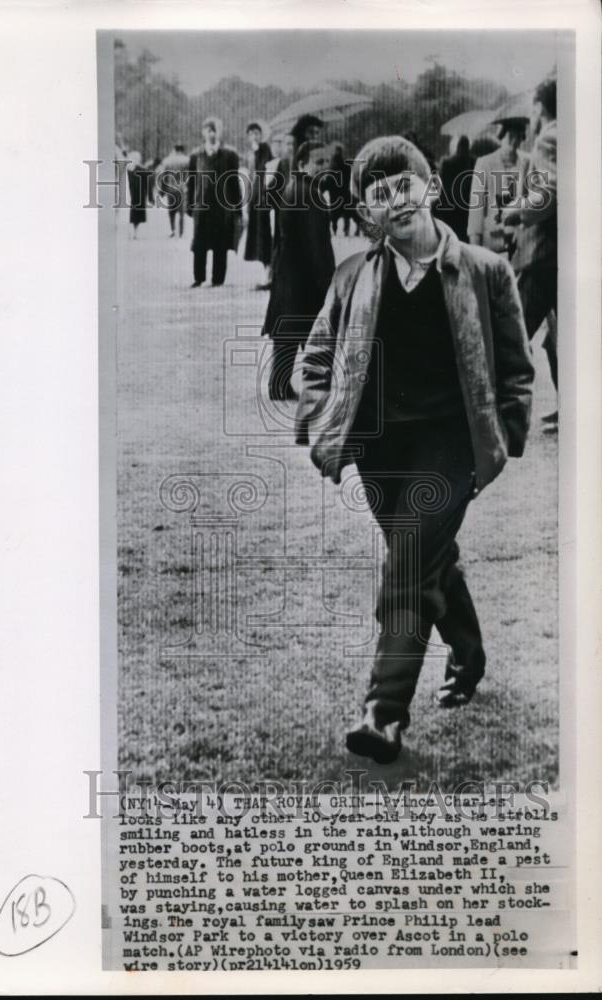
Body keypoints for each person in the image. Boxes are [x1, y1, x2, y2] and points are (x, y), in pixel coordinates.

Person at [294, 135, 534, 764]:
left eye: (404, 185)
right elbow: (315, 359)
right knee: (426, 558)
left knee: (405, 566)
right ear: (367, 213)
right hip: (381, 451)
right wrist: (324, 418)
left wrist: (503, 440)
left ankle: (383, 713)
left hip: (452, 445)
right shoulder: (352, 277)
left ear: (428, 187)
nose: (394, 202)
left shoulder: (485, 269)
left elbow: (515, 367)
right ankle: (470, 651)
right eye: (378, 195)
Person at [263, 140, 335, 401]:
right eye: (319, 162)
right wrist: (327, 282)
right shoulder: (308, 194)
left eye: (327, 161)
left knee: (288, 333)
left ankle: (280, 385)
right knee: (294, 332)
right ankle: (283, 386)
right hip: (301, 278)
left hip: (290, 276)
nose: (325, 167)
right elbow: (316, 247)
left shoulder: (299, 188)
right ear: (302, 164)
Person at [504, 75, 558, 419]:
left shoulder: (550, 136)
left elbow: (549, 192)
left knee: (512, 331)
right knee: (562, 335)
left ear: (541, 106)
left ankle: (493, 409)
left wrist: (515, 212)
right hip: (566, 254)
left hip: (542, 254)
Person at [186, 116, 242, 287]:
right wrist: (189, 204)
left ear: (220, 133)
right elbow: (192, 182)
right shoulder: (196, 155)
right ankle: (199, 277)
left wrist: (237, 208)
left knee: (221, 244)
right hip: (202, 205)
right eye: (208, 130)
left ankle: (218, 278)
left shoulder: (230, 155)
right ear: (203, 133)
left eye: (215, 130)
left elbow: (234, 182)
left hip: (222, 206)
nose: (211, 134)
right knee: (199, 244)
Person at [467, 119, 528, 256]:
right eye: (510, 137)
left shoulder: (528, 162)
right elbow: (476, 212)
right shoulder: (484, 163)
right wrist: (476, 253)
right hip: (493, 245)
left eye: (518, 137)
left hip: (521, 245)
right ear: (502, 136)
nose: (514, 142)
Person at [243, 122, 274, 289]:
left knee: (265, 237)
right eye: (251, 134)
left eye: (257, 133)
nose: (255, 137)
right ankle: (266, 271)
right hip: (255, 199)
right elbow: (249, 176)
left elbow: (265, 169)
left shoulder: (265, 149)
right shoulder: (250, 153)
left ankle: (269, 274)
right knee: (259, 238)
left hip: (265, 199)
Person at [435, 134, 475, 242]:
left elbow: (441, 188)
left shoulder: (447, 163)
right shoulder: (474, 162)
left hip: (451, 210)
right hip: (467, 210)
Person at [157, 143, 189, 238]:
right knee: (182, 212)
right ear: (182, 150)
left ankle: (172, 230)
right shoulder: (187, 160)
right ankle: (181, 232)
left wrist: (162, 190)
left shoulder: (167, 160)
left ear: (174, 149)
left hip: (170, 188)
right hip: (182, 188)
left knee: (171, 211)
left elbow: (162, 176)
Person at [126, 151, 151, 238]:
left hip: (131, 194)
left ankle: (133, 230)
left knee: (132, 212)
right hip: (140, 195)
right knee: (138, 213)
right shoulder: (142, 169)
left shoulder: (128, 170)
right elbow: (146, 185)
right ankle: (136, 230)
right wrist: (149, 196)